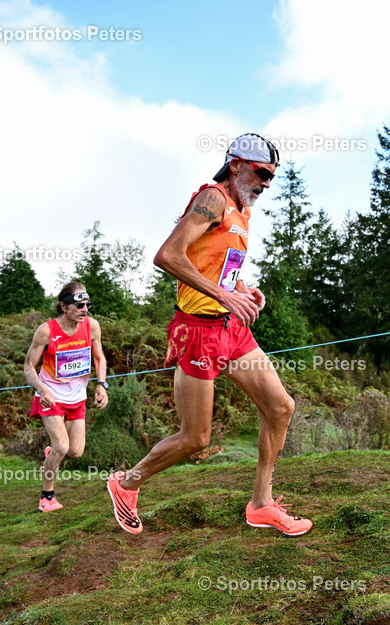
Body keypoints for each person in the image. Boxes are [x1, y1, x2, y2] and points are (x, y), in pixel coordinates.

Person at [106, 133, 311, 537]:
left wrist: (242, 290)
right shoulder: (213, 198)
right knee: (196, 438)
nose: (266, 183)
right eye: (261, 173)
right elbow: (167, 256)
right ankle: (126, 482)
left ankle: (261, 505)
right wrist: (223, 295)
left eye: (272, 177)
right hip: (198, 332)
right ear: (236, 164)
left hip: (231, 329)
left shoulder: (241, 209)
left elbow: (217, 267)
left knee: (280, 408)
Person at [23, 282, 109, 512]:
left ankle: (52, 454)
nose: (85, 309)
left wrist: (101, 385)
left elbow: (99, 358)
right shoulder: (47, 331)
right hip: (51, 397)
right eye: (79, 305)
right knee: (62, 446)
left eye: (88, 305)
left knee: (75, 451)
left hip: (77, 397)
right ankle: (47, 496)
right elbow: (29, 366)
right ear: (63, 306)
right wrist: (42, 390)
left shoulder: (92, 326)